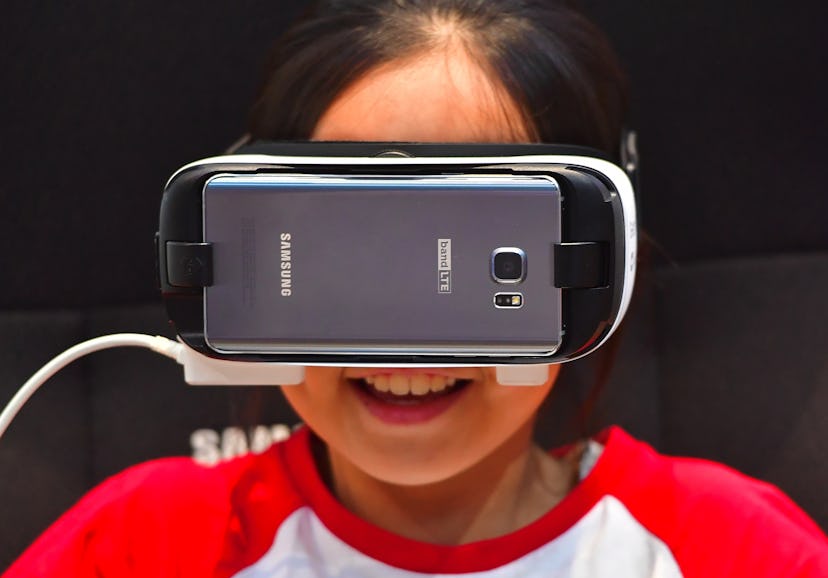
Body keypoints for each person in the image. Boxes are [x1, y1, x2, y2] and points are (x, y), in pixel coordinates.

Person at [5, 1, 827, 576]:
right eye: (347, 240)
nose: (405, 343)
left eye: (470, 248)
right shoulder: (138, 546)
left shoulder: (731, 549)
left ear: (595, 257)